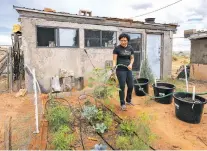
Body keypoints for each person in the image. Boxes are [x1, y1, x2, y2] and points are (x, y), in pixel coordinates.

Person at [112, 33, 134, 111]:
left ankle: (128, 100)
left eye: (125, 40)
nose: (123, 42)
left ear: (127, 40)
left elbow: (132, 58)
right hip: (120, 70)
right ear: (120, 40)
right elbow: (114, 59)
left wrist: (131, 64)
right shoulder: (117, 49)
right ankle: (122, 103)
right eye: (121, 40)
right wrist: (114, 66)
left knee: (131, 85)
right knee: (122, 87)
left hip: (128, 69)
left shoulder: (130, 48)